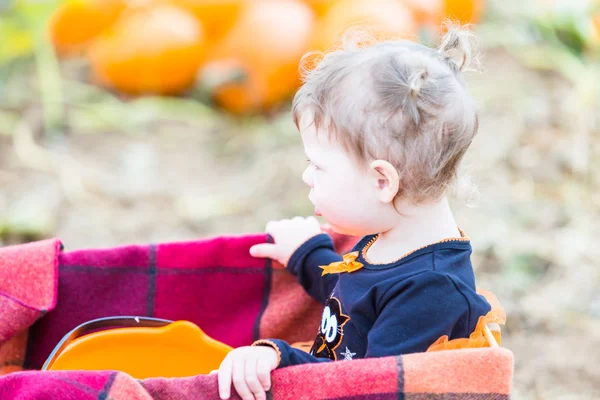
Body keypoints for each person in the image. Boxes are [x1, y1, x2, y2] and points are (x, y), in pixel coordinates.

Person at [215, 25, 491, 400]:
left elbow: (367, 388)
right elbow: (357, 305)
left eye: (318, 166)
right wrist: (309, 255)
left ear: (382, 182)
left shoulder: (433, 292)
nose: (306, 176)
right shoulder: (393, 235)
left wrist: (280, 358)